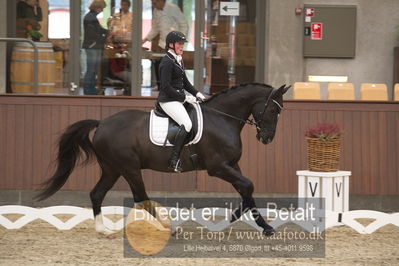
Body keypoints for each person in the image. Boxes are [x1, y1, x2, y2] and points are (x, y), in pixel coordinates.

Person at [157, 31, 206, 172]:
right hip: (168, 101)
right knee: (187, 124)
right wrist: (185, 98)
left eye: (182, 44)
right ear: (171, 45)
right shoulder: (166, 62)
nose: (182, 46)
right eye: (179, 44)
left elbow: (185, 82)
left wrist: (197, 93)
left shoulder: (177, 59)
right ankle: (174, 159)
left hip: (177, 98)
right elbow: (165, 87)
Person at [142, 0, 189, 89]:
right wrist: (145, 39)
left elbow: (184, 25)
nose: (153, 5)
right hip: (162, 43)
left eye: (155, 3)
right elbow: (155, 28)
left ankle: (173, 87)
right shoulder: (156, 10)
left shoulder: (173, 8)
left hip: (173, 44)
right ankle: (160, 86)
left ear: (161, 1)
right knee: (158, 64)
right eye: (152, 3)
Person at [82, 0, 108, 95]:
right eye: (102, 8)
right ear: (98, 7)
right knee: (91, 70)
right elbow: (94, 34)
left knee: (92, 69)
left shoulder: (91, 17)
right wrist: (105, 35)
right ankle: (88, 91)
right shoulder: (90, 18)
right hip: (92, 46)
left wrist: (106, 32)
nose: (102, 10)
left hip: (92, 46)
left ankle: (90, 90)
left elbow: (99, 29)